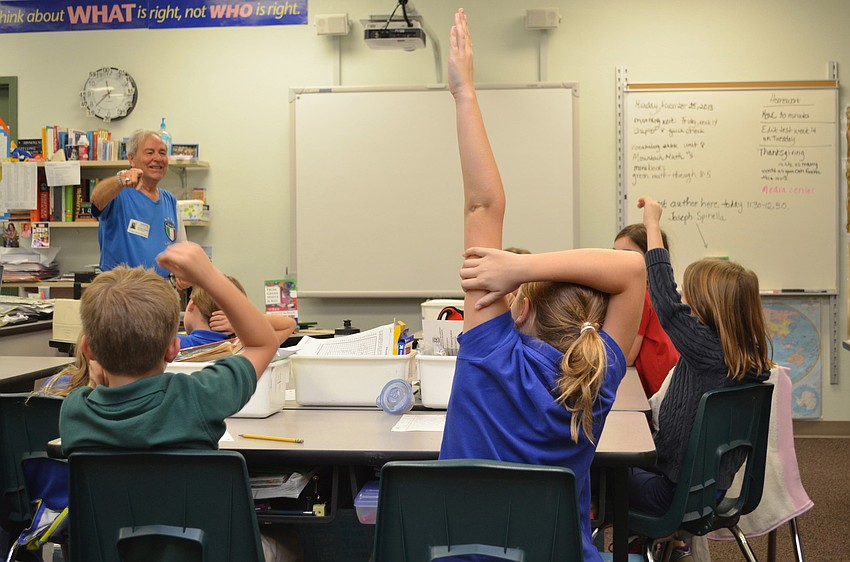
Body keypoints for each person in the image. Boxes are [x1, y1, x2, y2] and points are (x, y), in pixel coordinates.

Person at [437, 10, 646, 562]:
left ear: (519, 307)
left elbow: (484, 203)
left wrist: (464, 92)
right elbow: (634, 272)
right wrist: (523, 268)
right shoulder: (597, 380)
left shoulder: (489, 355)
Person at [627, 196, 773, 553]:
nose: (686, 305)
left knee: (589, 468)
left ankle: (606, 540)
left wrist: (652, 226)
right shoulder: (748, 357)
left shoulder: (708, 352)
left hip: (673, 495)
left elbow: (664, 298)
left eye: (692, 299)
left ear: (710, 307)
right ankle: (655, 541)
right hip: (711, 492)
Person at [59, 241, 278, 452]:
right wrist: (209, 276)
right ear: (173, 348)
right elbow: (262, 344)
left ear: (88, 349)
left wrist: (99, 381)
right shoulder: (198, 397)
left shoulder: (74, 410)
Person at [90, 129, 186, 279]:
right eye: (149, 152)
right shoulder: (117, 194)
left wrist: (184, 275)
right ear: (132, 159)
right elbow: (96, 200)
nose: (157, 158)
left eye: (162, 152)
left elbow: (182, 251)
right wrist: (120, 180)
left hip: (159, 290)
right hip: (120, 290)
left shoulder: (170, 201)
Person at [613, 223, 679, 397]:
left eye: (627, 254)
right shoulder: (652, 292)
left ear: (648, 258)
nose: (617, 260)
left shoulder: (640, 295)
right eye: (614, 253)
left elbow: (626, 357)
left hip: (658, 384)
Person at [180, 275, 297, 348]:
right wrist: (240, 320)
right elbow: (289, 324)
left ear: (192, 305)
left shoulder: (174, 344)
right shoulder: (242, 347)